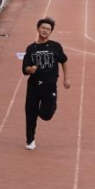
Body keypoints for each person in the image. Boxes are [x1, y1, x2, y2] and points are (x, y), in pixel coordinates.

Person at [22, 17, 70, 151]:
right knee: (30, 113)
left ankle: (47, 107)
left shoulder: (56, 46)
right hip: (34, 86)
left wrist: (66, 78)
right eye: (43, 28)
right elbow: (25, 68)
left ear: (51, 32)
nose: (45, 31)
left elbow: (64, 61)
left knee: (46, 115)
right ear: (38, 29)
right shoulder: (31, 48)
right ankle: (30, 140)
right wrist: (30, 69)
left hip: (49, 86)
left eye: (48, 29)